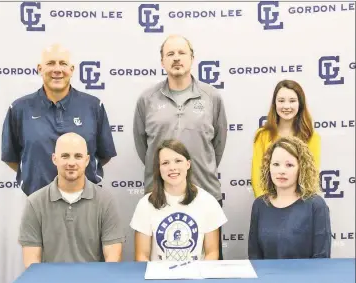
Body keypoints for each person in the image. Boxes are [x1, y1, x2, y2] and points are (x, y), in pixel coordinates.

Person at [133, 35, 227, 259]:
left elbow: (218, 145)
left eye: (182, 53)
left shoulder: (211, 97)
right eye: (170, 54)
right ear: (162, 61)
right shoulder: (147, 99)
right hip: (159, 196)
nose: (176, 59)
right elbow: (142, 146)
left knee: (209, 268)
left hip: (205, 193)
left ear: (192, 58)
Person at [1, 43, 116, 196]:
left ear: (72, 70)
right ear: (39, 69)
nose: (57, 69)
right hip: (37, 201)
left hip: (85, 201)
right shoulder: (19, 109)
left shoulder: (93, 106)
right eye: (50, 63)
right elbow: (11, 157)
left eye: (63, 64)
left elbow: (103, 154)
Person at [18, 133, 124, 268]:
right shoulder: (34, 203)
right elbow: (31, 263)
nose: (71, 163)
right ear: (54, 159)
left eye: (78, 156)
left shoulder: (105, 201)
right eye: (65, 156)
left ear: (87, 160)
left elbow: (113, 259)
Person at [130, 139, 228, 262]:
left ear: (188, 164)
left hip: (196, 278)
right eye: (165, 163)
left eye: (178, 161)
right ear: (159, 168)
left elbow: (212, 253)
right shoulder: (145, 204)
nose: (172, 167)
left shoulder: (208, 202)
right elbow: (142, 256)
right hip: (159, 279)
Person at [248, 136, 331, 259]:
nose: (281, 171)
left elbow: (321, 257)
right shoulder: (260, 204)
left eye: (289, 165)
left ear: (301, 168)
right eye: (276, 164)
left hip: (304, 277)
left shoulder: (316, 205)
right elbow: (254, 256)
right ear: (268, 167)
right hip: (267, 277)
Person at [251, 79, 320, 197]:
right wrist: (268, 203)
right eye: (281, 101)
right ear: (275, 104)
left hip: (301, 203)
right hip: (269, 203)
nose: (286, 106)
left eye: (292, 101)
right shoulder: (263, 135)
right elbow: (257, 174)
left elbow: (311, 175)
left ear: (300, 104)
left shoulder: (311, 136)